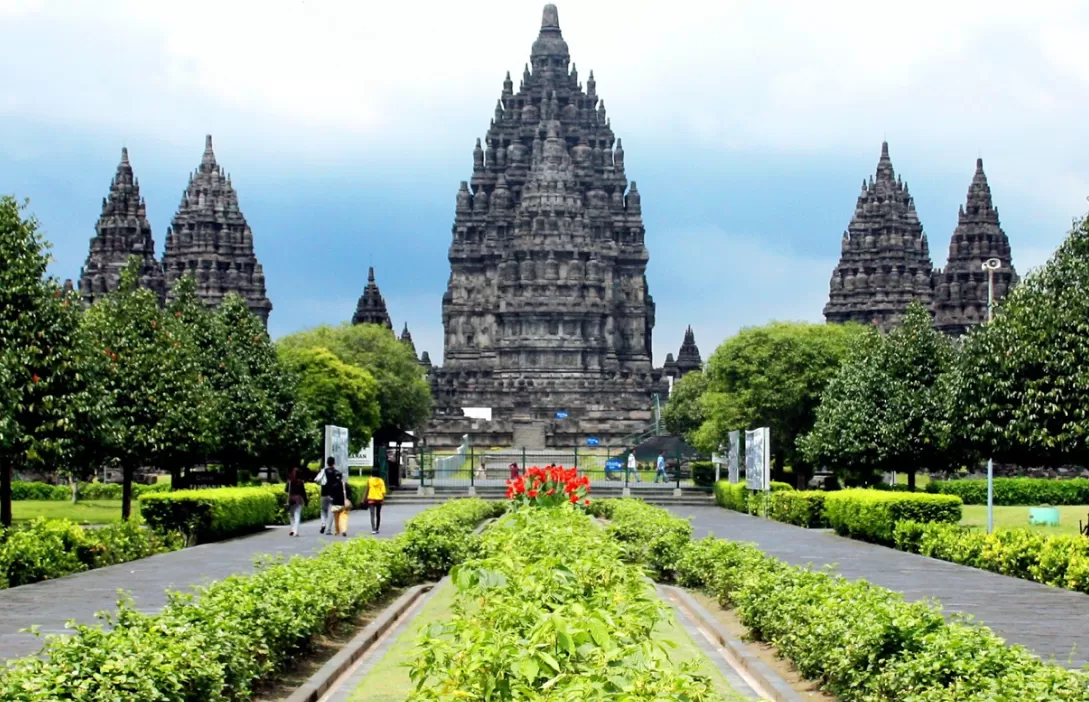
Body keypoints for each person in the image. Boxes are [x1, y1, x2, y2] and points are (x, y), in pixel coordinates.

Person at [317, 457, 347, 535]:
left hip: (324, 493)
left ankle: (323, 523)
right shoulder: (337, 472)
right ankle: (328, 530)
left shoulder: (324, 471)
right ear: (334, 463)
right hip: (333, 495)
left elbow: (317, 479)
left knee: (323, 510)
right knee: (331, 512)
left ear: (327, 463)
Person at [285, 466, 308, 537]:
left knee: (291, 516)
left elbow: (286, 490)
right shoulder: (300, 482)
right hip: (299, 500)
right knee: (297, 516)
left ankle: (292, 529)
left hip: (291, 499)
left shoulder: (290, 481)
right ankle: (296, 531)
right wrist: (306, 501)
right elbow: (303, 493)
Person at [365, 467, 387, 535]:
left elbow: (367, 490)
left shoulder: (369, 480)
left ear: (372, 473)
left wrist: (364, 498)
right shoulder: (381, 481)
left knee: (372, 514)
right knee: (378, 514)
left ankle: (373, 529)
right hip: (379, 499)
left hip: (371, 498)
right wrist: (382, 498)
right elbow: (383, 491)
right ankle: (377, 528)